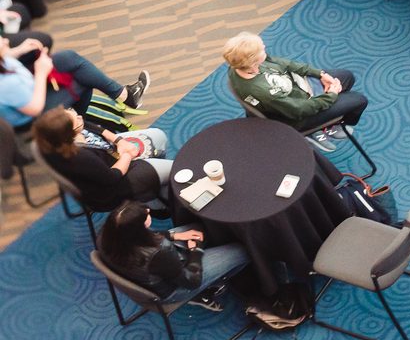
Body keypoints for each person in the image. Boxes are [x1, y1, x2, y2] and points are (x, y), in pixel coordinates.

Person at [98, 198, 249, 303]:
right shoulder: (160, 253)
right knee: (243, 250)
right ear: (138, 229)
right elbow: (191, 281)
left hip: (150, 271)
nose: (148, 210)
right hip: (173, 290)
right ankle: (214, 284)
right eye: (147, 216)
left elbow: (146, 238)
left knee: (199, 227)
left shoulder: (107, 235)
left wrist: (175, 235)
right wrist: (195, 251)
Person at [221, 33, 367, 129]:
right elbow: (299, 110)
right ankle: (333, 126)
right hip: (298, 116)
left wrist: (320, 74)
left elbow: (285, 64)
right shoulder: (265, 91)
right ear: (253, 61)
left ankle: (332, 113)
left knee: (347, 77)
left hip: (298, 89)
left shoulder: (240, 65)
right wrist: (331, 96)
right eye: (261, 49)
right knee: (359, 100)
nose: (264, 47)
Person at [30, 107, 167, 208]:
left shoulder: (52, 136)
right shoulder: (80, 157)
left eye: (74, 112)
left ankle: (153, 191)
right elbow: (112, 177)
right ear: (68, 134)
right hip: (114, 187)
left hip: (110, 153)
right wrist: (127, 154)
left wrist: (119, 140)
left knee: (158, 136)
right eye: (76, 120)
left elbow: (89, 125)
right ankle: (152, 193)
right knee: (173, 169)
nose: (80, 117)